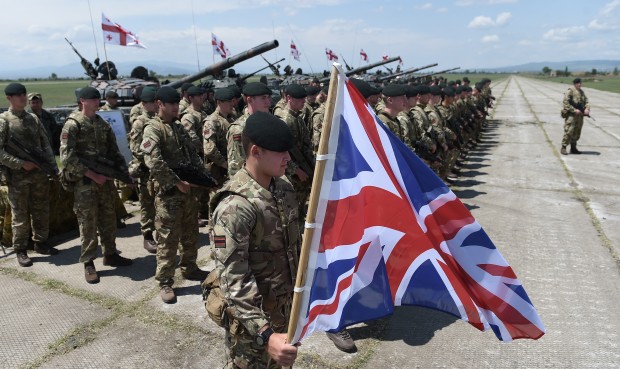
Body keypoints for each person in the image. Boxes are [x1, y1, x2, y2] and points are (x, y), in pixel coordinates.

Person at [207, 111, 300, 368]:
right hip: (254, 330)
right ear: (256, 151)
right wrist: (266, 335)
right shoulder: (235, 207)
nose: (288, 158)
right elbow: (234, 282)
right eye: (280, 151)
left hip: (286, 315)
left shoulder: (284, 189)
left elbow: (294, 249)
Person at [140, 86, 210, 304]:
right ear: (160, 104)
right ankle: (165, 281)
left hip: (188, 192)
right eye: (171, 104)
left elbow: (192, 154)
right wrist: (177, 182)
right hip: (169, 194)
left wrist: (201, 178)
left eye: (176, 103)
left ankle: (190, 267)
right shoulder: (153, 129)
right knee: (168, 239)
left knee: (190, 233)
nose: (175, 107)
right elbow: (153, 162)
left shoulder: (178, 126)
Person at [60, 87, 133, 284]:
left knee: (109, 219)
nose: (96, 101)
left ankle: (110, 254)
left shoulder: (102, 124)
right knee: (88, 223)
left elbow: (114, 152)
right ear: (82, 100)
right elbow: (67, 158)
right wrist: (92, 174)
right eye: (92, 99)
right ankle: (88, 262)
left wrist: (121, 173)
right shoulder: (73, 125)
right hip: (85, 185)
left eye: (97, 98)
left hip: (105, 183)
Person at [0, 83, 59, 267]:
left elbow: (45, 145)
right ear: (9, 98)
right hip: (17, 177)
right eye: (18, 95)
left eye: (24, 94)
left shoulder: (33, 118)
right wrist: (20, 164)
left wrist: (53, 167)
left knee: (41, 210)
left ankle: (41, 243)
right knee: (20, 215)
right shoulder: (4, 121)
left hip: (39, 175)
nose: (23, 98)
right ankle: (21, 249)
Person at [128, 87, 159, 253]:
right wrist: (152, 157)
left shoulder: (159, 119)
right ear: (143, 104)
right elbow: (135, 148)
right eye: (151, 102)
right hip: (146, 170)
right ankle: (147, 236)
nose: (155, 105)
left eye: (156, 101)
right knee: (147, 204)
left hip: (158, 169)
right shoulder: (140, 122)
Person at [226, 82, 273, 178]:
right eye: (263, 98)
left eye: (268, 97)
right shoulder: (239, 129)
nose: (268, 102)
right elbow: (235, 167)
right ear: (250, 100)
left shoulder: (270, 122)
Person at [203, 87, 236, 187]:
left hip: (230, 167)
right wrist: (225, 164)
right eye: (228, 101)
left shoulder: (230, 118)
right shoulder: (212, 121)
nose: (232, 104)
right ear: (219, 102)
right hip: (219, 171)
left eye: (232, 101)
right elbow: (209, 149)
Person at [561, 78, 590, 155]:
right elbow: (565, 102)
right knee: (569, 131)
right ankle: (563, 147)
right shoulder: (570, 90)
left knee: (577, 131)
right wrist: (574, 110)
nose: (579, 84)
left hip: (580, 116)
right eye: (577, 83)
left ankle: (573, 148)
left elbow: (586, 101)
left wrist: (587, 109)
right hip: (571, 115)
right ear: (575, 83)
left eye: (580, 83)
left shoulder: (581, 92)